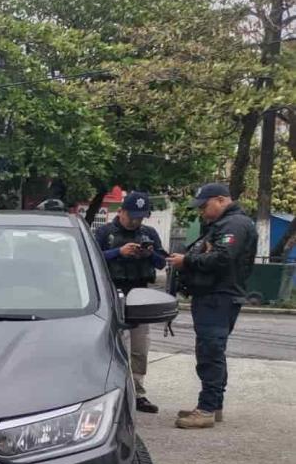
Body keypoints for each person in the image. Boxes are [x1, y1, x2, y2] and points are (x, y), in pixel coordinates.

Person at [168, 183, 258, 430]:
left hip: (219, 296)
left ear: (220, 200)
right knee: (210, 351)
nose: (202, 213)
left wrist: (187, 260)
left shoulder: (235, 224)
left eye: (205, 206)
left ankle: (207, 409)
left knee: (210, 351)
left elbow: (222, 257)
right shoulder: (224, 224)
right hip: (213, 295)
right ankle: (212, 404)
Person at [95, 191, 165, 414]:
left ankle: (138, 391)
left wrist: (149, 254)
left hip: (140, 293)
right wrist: (119, 252)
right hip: (112, 293)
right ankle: (115, 391)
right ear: (122, 211)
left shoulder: (149, 233)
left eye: (141, 217)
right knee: (116, 344)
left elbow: (163, 262)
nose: (136, 221)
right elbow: (92, 259)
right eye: (133, 216)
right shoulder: (105, 233)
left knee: (139, 345)